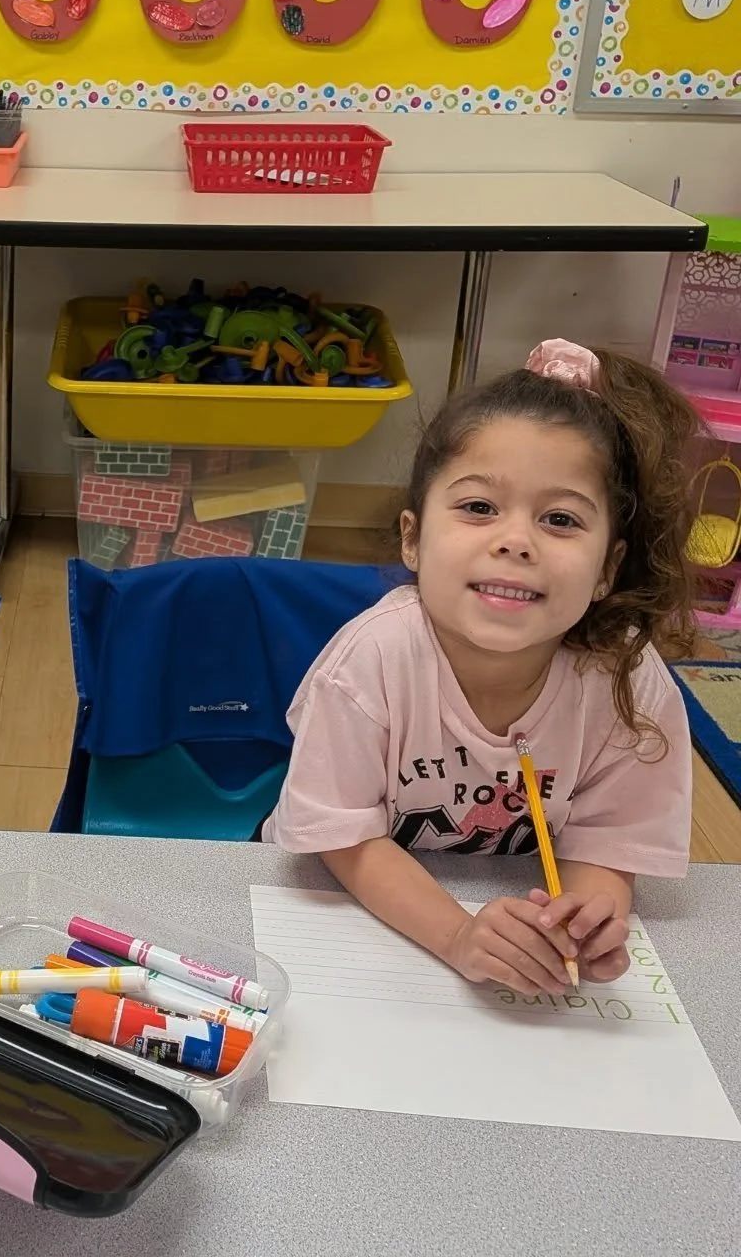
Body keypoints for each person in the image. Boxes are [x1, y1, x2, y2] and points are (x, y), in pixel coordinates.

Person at [266, 339, 701, 995]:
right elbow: (344, 839)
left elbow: (607, 845)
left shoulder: (627, 685)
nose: (515, 541)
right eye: (478, 508)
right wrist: (458, 936)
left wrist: (581, 924)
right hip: (341, 912)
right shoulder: (369, 662)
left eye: (560, 519)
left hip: (500, 909)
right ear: (413, 538)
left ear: (608, 569)